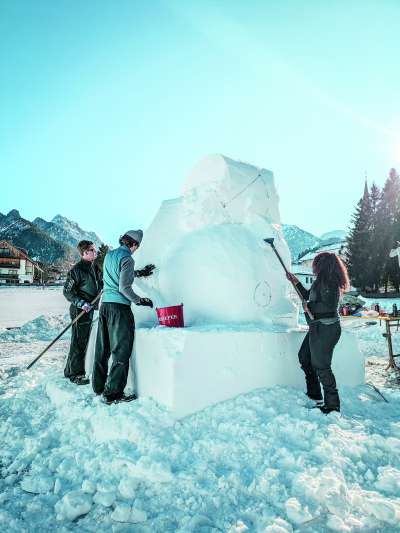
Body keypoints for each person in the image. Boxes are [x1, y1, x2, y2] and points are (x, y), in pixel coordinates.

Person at [92, 230, 155, 404]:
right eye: (137, 247)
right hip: (119, 309)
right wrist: (139, 300)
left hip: (105, 306)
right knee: (121, 351)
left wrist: (138, 273)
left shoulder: (110, 255)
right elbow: (124, 288)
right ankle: (113, 394)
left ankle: (98, 387)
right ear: (134, 244)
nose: (135, 250)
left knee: (102, 349)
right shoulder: (128, 258)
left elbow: (116, 275)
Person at [286, 252, 350, 414]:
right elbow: (309, 296)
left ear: (322, 264)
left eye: (315, 263)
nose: (313, 266)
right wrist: (296, 282)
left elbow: (329, 306)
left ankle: (333, 405)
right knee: (305, 357)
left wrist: (310, 307)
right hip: (317, 327)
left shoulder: (330, 281)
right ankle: (315, 395)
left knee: (322, 366)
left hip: (326, 329)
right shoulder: (320, 280)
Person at [63, 240, 103, 385]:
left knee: (82, 340)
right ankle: (75, 374)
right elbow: (67, 292)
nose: (95, 252)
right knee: (79, 341)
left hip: (90, 309)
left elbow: (103, 281)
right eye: (92, 250)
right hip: (79, 310)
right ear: (85, 253)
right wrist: (81, 303)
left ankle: (69, 370)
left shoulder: (94, 267)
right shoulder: (76, 271)